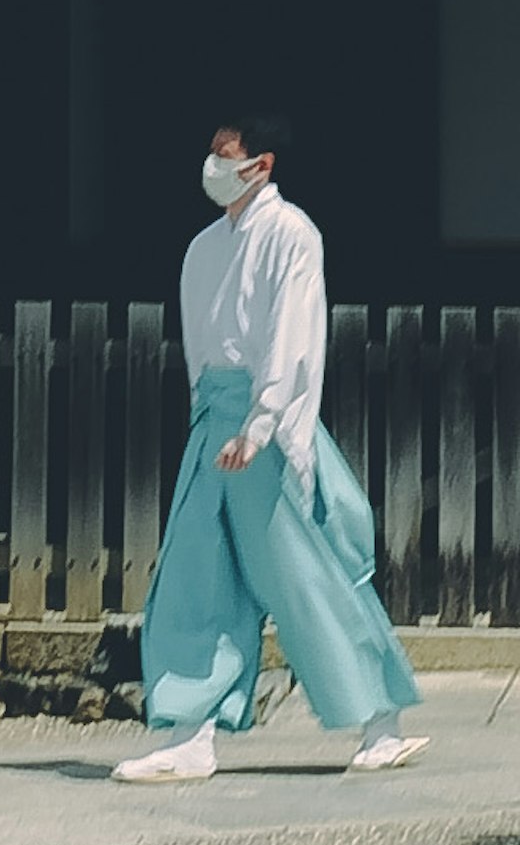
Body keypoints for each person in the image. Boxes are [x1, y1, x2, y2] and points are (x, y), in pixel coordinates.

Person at [116, 115, 426, 782]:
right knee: (198, 574)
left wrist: (262, 425)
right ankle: (191, 732)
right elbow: (202, 345)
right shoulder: (203, 247)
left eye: (226, 156)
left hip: (266, 421)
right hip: (213, 420)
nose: (213, 166)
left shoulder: (293, 234)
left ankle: (381, 720)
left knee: (308, 574)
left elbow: (292, 334)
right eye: (211, 154)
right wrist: (212, 420)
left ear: (261, 163)